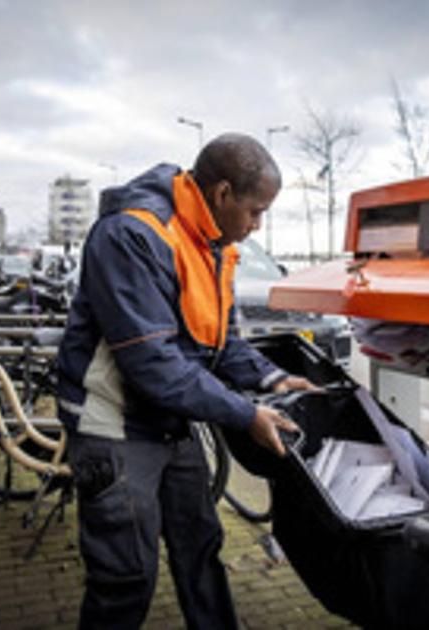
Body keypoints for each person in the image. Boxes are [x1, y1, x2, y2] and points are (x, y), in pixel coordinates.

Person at [56, 132, 314, 629]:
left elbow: (218, 342)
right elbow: (152, 362)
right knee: (126, 575)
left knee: (200, 546)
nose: (257, 225)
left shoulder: (210, 245)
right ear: (221, 195)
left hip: (168, 419)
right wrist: (244, 414)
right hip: (114, 424)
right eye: (255, 211)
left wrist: (275, 378)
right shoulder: (132, 235)